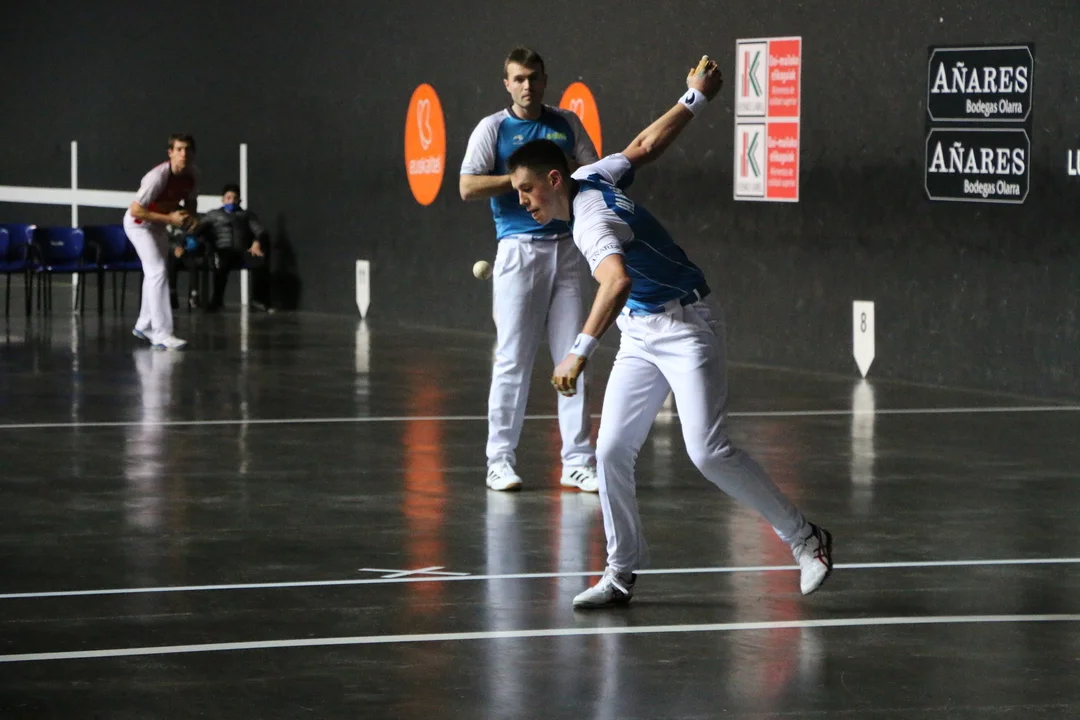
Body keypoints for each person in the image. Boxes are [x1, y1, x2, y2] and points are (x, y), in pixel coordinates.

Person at [505, 56, 834, 608]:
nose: (522, 202)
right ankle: (619, 572)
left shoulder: (590, 222)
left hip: (687, 326)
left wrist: (578, 351)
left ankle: (807, 539)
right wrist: (694, 97)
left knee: (708, 451)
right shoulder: (593, 175)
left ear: (553, 180)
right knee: (611, 449)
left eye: (525, 190)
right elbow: (644, 146)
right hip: (640, 331)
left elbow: (615, 281)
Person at [460, 46, 601, 493]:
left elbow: (594, 171)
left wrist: (563, 175)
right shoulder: (493, 129)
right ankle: (499, 461)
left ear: (544, 80)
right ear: (507, 83)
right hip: (518, 252)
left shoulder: (566, 123)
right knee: (512, 360)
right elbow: (467, 186)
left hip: (569, 249)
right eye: (518, 78)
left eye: (534, 77)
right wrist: (525, 178)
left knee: (574, 356)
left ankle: (577, 461)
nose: (527, 86)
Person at [125, 133, 197, 350]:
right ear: (170, 153)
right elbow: (136, 210)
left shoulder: (192, 175)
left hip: (157, 225)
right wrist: (171, 219)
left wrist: (190, 217)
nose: (183, 154)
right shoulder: (157, 177)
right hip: (138, 225)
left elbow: (191, 201)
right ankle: (161, 334)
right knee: (157, 271)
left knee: (155, 273)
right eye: (179, 149)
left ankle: (144, 324)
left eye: (187, 150)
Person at [192, 183, 270, 311]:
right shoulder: (213, 215)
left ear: (239, 200)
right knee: (223, 260)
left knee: (259, 261)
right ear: (223, 199)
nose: (231, 201)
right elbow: (198, 230)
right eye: (228, 198)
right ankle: (217, 300)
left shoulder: (246, 215)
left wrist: (257, 242)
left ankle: (257, 300)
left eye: (235, 198)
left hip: (241, 252)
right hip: (221, 251)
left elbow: (260, 231)